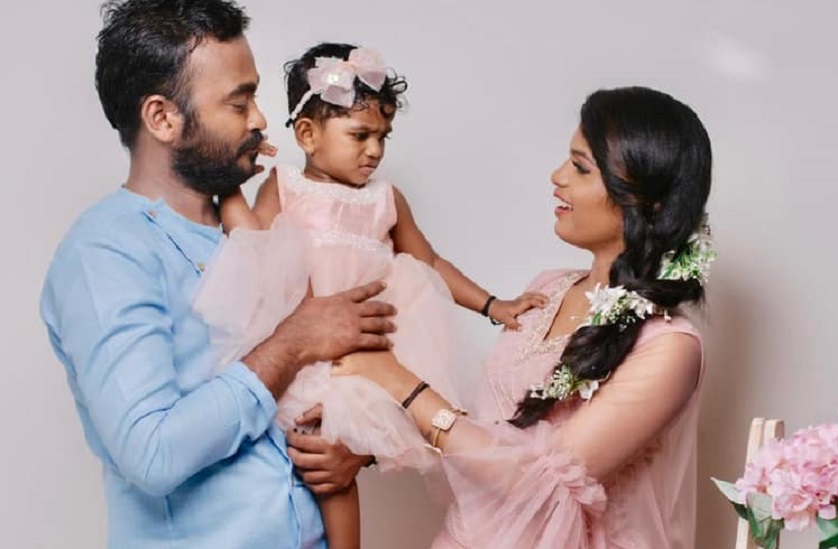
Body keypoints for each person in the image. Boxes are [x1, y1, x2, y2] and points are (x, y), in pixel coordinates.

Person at [39, 2, 394, 547]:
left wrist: (352, 451)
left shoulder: (263, 229)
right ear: (162, 118)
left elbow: (321, 388)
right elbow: (152, 452)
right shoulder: (105, 252)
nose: (259, 120)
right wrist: (292, 342)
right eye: (239, 102)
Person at [192, 42, 548, 549]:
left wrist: (496, 306)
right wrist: (229, 189)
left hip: (364, 356)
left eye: (383, 136)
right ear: (308, 135)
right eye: (360, 135)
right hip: (301, 341)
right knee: (274, 455)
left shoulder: (385, 198)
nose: (375, 150)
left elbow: (428, 263)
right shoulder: (286, 185)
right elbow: (253, 246)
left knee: (332, 457)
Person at [335, 86, 716, 548]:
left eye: (580, 167)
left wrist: (401, 384)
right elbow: (482, 433)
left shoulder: (668, 347)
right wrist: (360, 448)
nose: (557, 177)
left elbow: (536, 482)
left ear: (645, 201)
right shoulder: (546, 288)